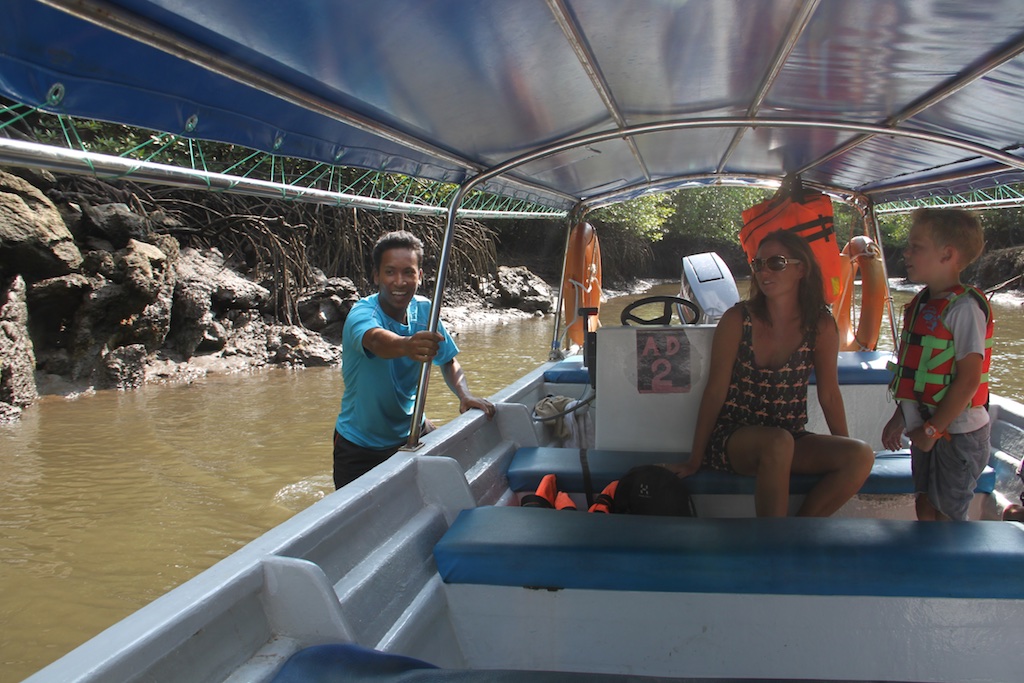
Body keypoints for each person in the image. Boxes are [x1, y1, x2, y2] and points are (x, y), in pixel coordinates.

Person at [665, 230, 874, 517]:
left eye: (775, 263)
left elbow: (829, 393)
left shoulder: (821, 325)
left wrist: (842, 445)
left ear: (801, 269)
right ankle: (774, 546)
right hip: (733, 439)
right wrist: (695, 459)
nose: (764, 271)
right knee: (777, 442)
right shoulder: (738, 320)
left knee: (860, 455)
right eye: (758, 264)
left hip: (790, 437)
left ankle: (798, 531)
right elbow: (715, 392)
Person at [332, 230, 495, 489]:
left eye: (408, 272)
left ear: (419, 275)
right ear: (376, 276)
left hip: (414, 432)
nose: (400, 281)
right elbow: (376, 340)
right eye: (390, 272)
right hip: (360, 447)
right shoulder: (361, 313)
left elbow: (448, 360)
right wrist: (407, 345)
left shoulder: (425, 310)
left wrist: (464, 394)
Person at [881, 208, 993, 521]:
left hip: (958, 434)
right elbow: (915, 375)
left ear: (947, 255)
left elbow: (969, 380)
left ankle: (950, 571)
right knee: (924, 505)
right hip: (925, 426)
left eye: (916, 247)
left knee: (946, 516)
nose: (906, 252)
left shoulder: (964, 309)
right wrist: (900, 417)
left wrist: (932, 429)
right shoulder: (923, 304)